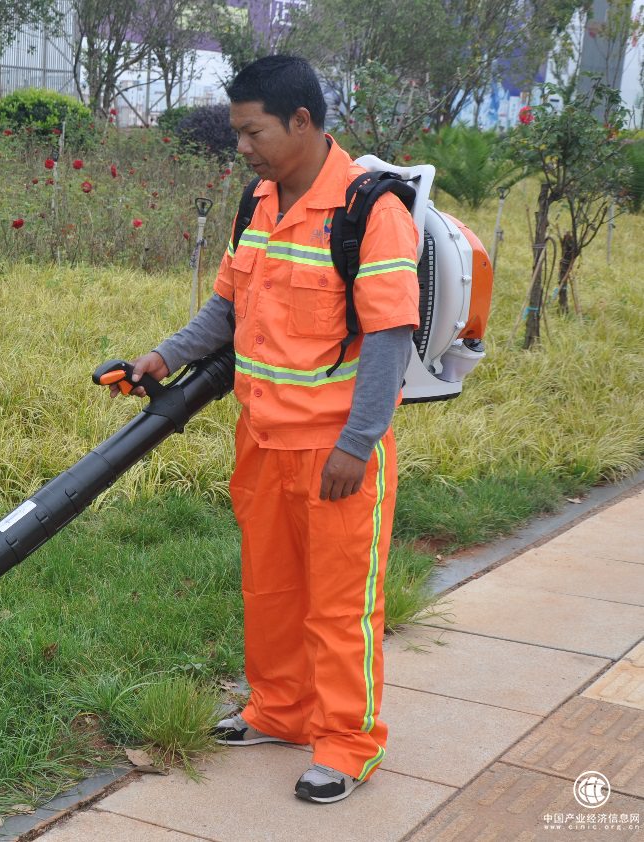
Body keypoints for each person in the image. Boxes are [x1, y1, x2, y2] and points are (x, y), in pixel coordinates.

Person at [111, 55, 420, 804]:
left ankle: (348, 743)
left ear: (303, 122)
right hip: (262, 441)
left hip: (336, 452)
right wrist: (163, 356)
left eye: (252, 132)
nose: (241, 147)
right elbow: (226, 309)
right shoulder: (259, 201)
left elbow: (388, 336)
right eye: (236, 133)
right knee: (273, 592)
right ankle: (280, 711)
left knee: (340, 609)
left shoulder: (369, 210)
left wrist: (357, 444)